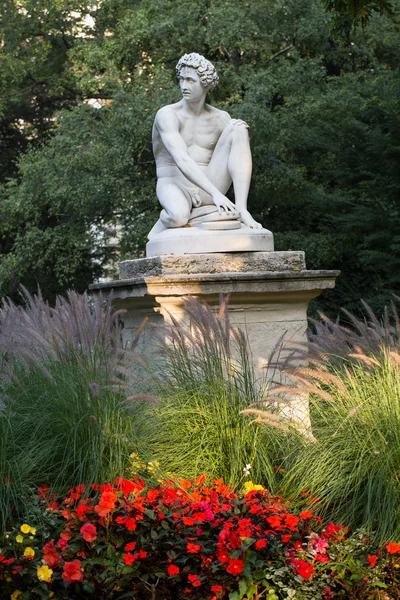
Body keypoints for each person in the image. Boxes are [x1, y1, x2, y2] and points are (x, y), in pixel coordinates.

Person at [148, 52, 262, 239]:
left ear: (205, 83)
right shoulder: (167, 115)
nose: (184, 86)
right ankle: (164, 221)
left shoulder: (220, 118)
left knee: (238, 128)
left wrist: (216, 194)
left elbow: (236, 154)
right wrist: (216, 194)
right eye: (182, 79)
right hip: (174, 183)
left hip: (209, 183)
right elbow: (182, 158)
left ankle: (242, 208)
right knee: (177, 216)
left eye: (191, 80)